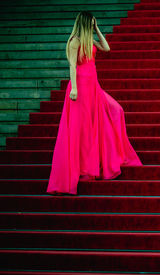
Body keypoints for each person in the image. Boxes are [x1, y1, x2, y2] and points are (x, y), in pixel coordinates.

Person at [47, 11, 142, 195]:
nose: (92, 26)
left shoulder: (89, 39)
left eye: (94, 24)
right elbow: (72, 65)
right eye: (90, 24)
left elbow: (106, 48)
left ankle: (100, 161)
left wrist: (98, 29)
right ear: (83, 23)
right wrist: (74, 88)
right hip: (80, 87)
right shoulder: (75, 40)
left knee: (116, 110)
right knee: (82, 128)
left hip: (94, 87)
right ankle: (84, 168)